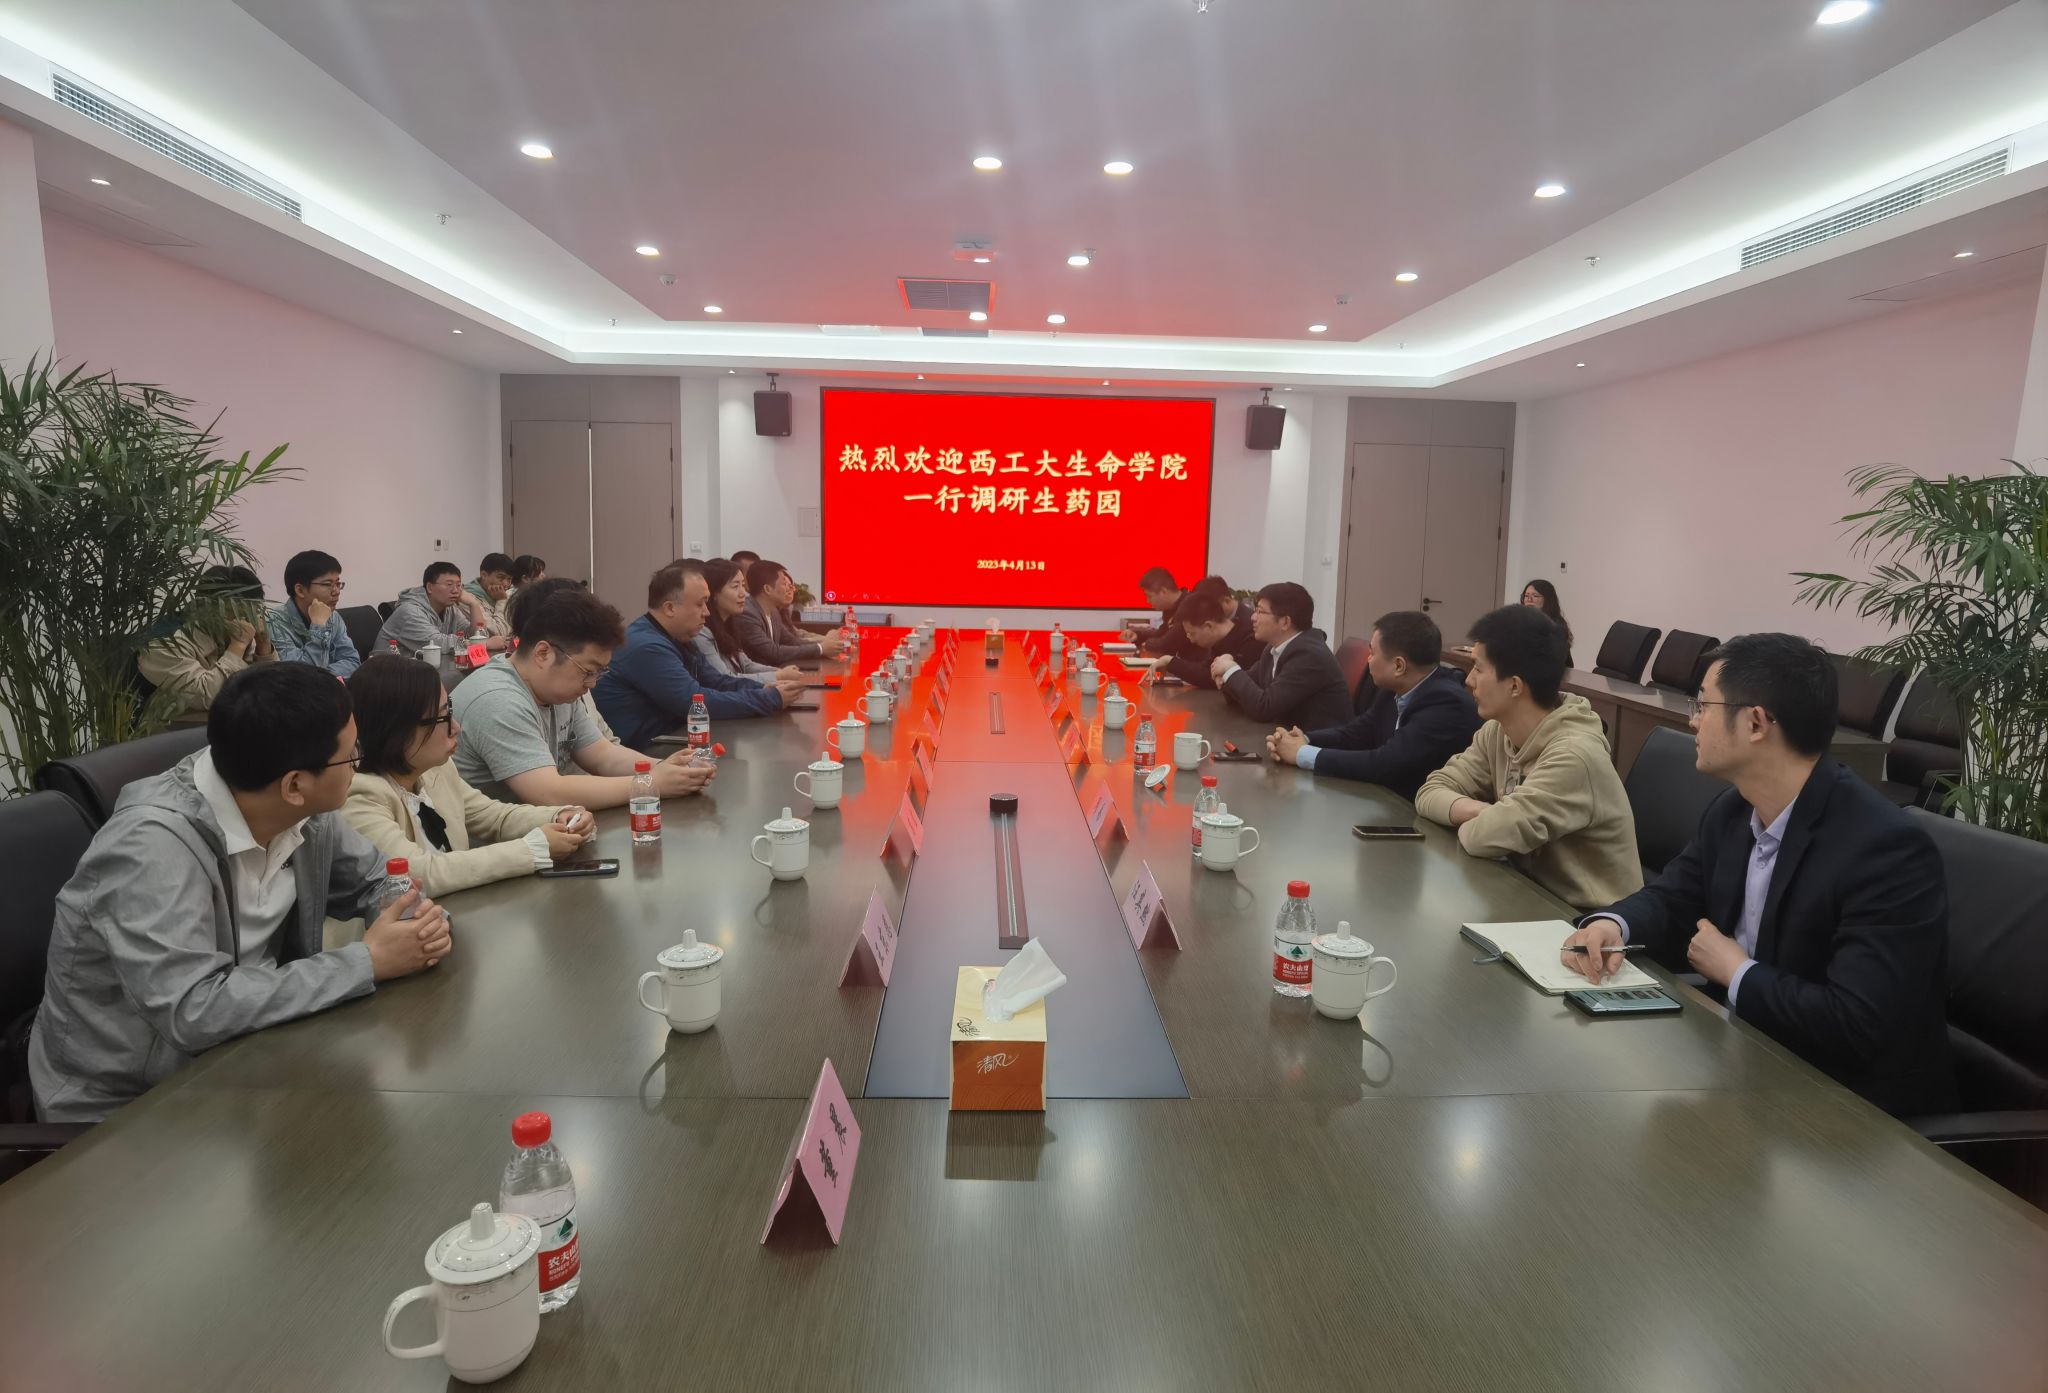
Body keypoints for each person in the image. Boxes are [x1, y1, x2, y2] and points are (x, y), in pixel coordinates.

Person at [28, 664, 452, 1123]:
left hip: (255, 1053)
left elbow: (377, 879)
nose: (358, 763)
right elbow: (192, 1010)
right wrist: (366, 960)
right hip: (133, 1108)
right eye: (350, 755)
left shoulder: (302, 808)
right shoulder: (149, 848)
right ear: (294, 784)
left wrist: (413, 925)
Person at [1563, 634, 1956, 1116]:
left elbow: (1858, 1023)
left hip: (1843, 1108)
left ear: (1755, 723)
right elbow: (1673, 897)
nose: (1693, 720)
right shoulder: (1734, 811)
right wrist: (1612, 925)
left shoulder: (1884, 849)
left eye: (1703, 704)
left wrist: (1736, 972)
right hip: (1740, 1061)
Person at [1414, 605, 1641, 911]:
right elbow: (1430, 791)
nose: (1469, 680)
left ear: (1515, 686)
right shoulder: (1498, 731)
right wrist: (1482, 810)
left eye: (1479, 668)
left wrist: (1483, 820)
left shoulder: (1574, 756)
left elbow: (1483, 838)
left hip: (1588, 918)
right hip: (1527, 896)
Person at [343, 654, 594, 895]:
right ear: (397, 731)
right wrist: (532, 849)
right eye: (442, 717)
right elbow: (417, 873)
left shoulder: (435, 769)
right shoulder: (360, 796)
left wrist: (558, 816)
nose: (455, 727)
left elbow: (493, 817)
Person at [451, 584, 713, 807]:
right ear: (543, 653)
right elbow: (547, 792)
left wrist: (664, 769)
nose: (592, 684)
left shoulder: (557, 691)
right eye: (588, 671)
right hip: (501, 844)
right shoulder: (498, 699)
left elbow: (602, 755)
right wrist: (652, 783)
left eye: (598, 673)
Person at [1268, 610, 1481, 801]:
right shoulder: (1394, 687)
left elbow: (1386, 764)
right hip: (1387, 801)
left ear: (1398, 666)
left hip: (1417, 815)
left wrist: (1302, 754)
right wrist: (1303, 739)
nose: (1368, 660)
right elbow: (1358, 732)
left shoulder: (1445, 704)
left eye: (1372, 653)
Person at [596, 562, 806, 749]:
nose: (707, 612)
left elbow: (716, 681)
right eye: (699, 604)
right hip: (643, 751)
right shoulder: (647, 646)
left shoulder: (678, 637)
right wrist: (769, 699)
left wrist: (765, 688)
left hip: (672, 738)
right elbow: (694, 702)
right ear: (670, 608)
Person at [138, 565, 275, 719]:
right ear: (207, 608)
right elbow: (210, 698)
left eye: (256, 611)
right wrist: (238, 646)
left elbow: (272, 692)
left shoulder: (239, 631)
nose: (250, 620)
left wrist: (264, 646)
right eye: (241, 612)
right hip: (178, 729)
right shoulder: (163, 644)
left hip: (235, 724)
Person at [1209, 582, 1351, 728]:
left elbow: (1263, 708)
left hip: (1313, 739)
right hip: (1283, 734)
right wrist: (1224, 673)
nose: (1253, 617)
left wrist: (1230, 669)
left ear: (1285, 622)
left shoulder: (1309, 656)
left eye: (1260, 611)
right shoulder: (1274, 647)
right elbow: (1245, 692)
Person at [697, 558, 797, 686]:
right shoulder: (702, 632)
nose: (743, 593)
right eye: (735, 586)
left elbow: (746, 665)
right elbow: (725, 679)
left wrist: (780, 672)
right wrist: (778, 676)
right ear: (713, 593)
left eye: (743, 585)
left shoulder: (729, 624)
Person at [267, 548, 361, 677]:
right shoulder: (274, 622)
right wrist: (318, 626)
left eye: (338, 583)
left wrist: (322, 675)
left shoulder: (333, 616)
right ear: (300, 590)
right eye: (327, 584)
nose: (336, 591)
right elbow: (299, 675)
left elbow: (352, 662)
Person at [736, 559, 848, 666]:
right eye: (783, 584)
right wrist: (821, 648)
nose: (788, 589)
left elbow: (792, 641)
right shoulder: (747, 614)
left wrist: (825, 647)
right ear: (768, 589)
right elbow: (772, 652)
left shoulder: (773, 612)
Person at [378, 562, 489, 658]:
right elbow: (437, 644)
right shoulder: (409, 612)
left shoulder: (450, 609)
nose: (456, 590)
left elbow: (473, 634)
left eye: (459, 585)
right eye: (449, 584)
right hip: (387, 671)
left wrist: (473, 604)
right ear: (430, 587)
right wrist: (484, 644)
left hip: (419, 667)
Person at [1166, 585, 1265, 688]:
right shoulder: (1220, 642)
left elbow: (1213, 678)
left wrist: (1171, 663)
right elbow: (1207, 670)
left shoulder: (1252, 641)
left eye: (1192, 633)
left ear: (1208, 626)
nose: (1192, 640)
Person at [1118, 568, 1187, 654]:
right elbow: (1161, 633)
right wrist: (1137, 635)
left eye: (1149, 596)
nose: (1148, 601)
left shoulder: (1188, 607)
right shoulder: (1170, 608)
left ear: (1163, 591)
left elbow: (1167, 644)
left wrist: (1147, 644)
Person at [465, 553, 517, 643]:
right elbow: (499, 633)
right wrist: (501, 600)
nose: (506, 584)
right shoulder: (469, 599)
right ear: (484, 575)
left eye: (509, 579)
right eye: (501, 577)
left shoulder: (504, 594)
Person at [1521, 578, 1575, 662]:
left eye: (1535, 596)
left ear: (1547, 599)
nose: (1529, 600)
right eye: (1526, 596)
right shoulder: (1520, 621)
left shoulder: (1556, 625)